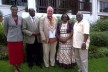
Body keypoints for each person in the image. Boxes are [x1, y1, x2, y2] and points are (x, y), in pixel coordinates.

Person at [3, 5, 24, 72]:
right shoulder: (7, 18)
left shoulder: (21, 18)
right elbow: (5, 30)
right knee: (12, 54)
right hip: (11, 40)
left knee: (19, 54)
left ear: (17, 10)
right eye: (13, 9)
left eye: (15, 10)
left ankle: (19, 66)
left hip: (19, 39)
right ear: (11, 10)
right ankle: (15, 68)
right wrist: (8, 37)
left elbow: (22, 28)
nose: (14, 11)